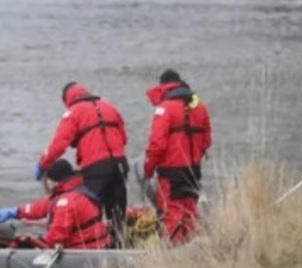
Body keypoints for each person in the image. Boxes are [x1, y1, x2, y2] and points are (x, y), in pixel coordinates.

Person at [36, 82, 129, 245]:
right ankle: (119, 248)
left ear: (67, 99)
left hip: (96, 169)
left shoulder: (73, 112)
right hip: (120, 165)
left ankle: (95, 249)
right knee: (117, 215)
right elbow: (124, 138)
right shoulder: (109, 106)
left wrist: (43, 164)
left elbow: (59, 144)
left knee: (91, 213)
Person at [143, 69, 212, 244]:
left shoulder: (164, 109)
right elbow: (207, 141)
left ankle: (174, 254)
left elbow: (157, 146)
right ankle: (194, 250)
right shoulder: (200, 107)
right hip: (193, 171)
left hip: (170, 173)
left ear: (163, 87)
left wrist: (148, 170)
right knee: (190, 211)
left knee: (172, 213)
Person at [0, 159, 112, 249]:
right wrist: (16, 211)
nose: (47, 184)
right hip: (96, 245)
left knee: (22, 243)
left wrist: (36, 243)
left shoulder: (65, 202)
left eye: (48, 180)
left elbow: (56, 236)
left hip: (82, 250)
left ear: (55, 181)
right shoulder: (77, 191)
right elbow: (40, 208)